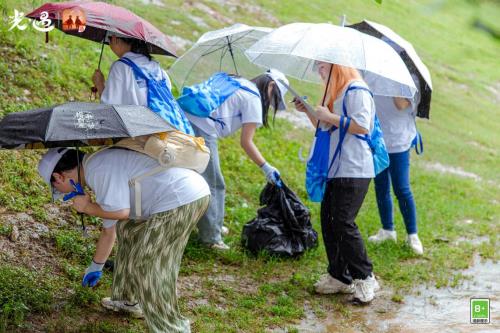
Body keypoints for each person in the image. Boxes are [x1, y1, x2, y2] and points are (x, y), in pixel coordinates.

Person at [38, 147, 210, 332]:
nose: (61, 193)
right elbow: (110, 229)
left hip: (180, 198)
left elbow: (121, 212)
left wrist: (88, 207)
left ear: (59, 177)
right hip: (184, 193)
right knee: (129, 229)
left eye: (56, 188)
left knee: (147, 264)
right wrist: (96, 266)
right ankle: (128, 300)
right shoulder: (96, 165)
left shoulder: (98, 170)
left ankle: (172, 328)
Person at [294, 62, 379, 303]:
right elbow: (325, 127)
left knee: (343, 222)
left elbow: (363, 126)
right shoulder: (336, 93)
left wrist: (329, 115)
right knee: (329, 222)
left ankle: (365, 277)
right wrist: (310, 112)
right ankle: (339, 276)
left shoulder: (357, 90)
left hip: (355, 168)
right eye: (318, 68)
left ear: (337, 67)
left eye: (323, 67)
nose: (320, 72)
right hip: (335, 168)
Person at [186, 69, 289, 250]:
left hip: (185, 117)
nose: (271, 104)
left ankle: (208, 223)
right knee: (214, 184)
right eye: (274, 99)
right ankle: (211, 237)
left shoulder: (238, 82)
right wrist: (266, 167)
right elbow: (246, 142)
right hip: (202, 127)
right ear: (271, 86)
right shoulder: (254, 98)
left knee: (192, 176)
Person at [368, 75, 423, 255]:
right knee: (381, 186)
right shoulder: (372, 74)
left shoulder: (408, 79)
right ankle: (388, 230)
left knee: (402, 188)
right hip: (378, 139)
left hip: (399, 141)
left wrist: (392, 80)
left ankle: (412, 235)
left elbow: (401, 104)